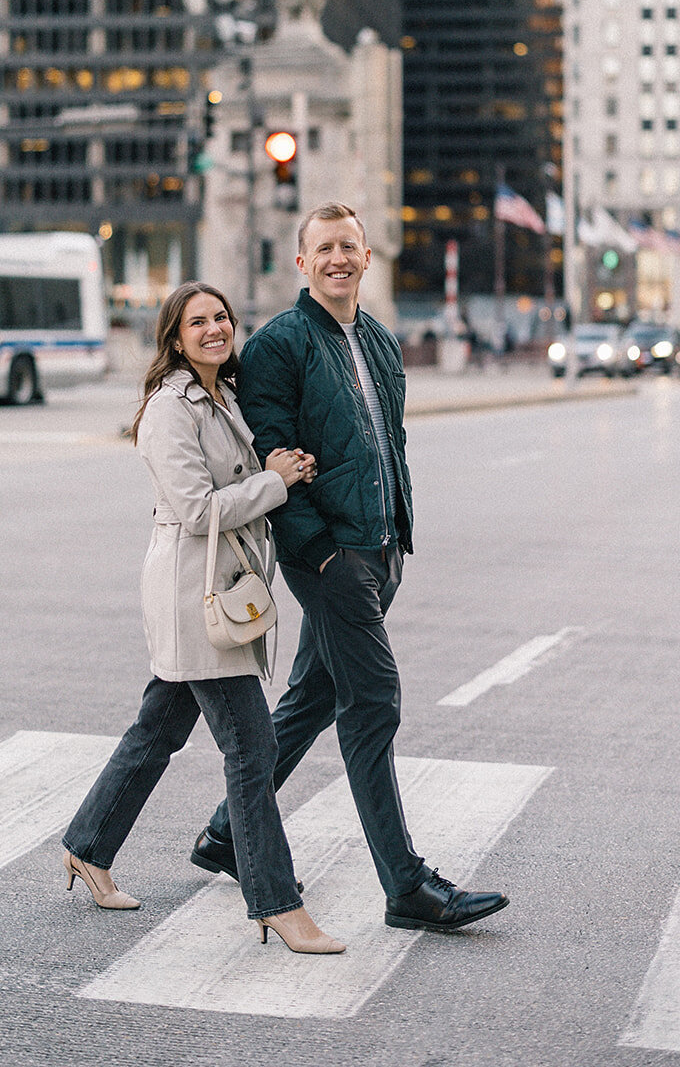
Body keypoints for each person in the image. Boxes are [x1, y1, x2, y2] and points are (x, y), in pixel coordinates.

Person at [190, 205, 509, 933]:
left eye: (348, 246)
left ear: (368, 258)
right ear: (301, 263)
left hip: (378, 548)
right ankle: (404, 886)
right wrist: (321, 552)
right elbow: (272, 457)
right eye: (322, 248)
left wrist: (393, 536)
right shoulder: (279, 346)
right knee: (372, 705)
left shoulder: (379, 339)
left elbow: (386, 444)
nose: (337, 258)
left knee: (310, 697)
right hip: (329, 557)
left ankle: (224, 835)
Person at [61, 280, 344, 956]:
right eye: (198, 322)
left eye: (220, 317)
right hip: (193, 591)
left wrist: (282, 468)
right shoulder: (169, 408)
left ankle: (88, 846)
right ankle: (277, 903)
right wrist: (275, 481)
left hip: (220, 584)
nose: (214, 329)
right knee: (252, 748)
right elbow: (196, 510)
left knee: (158, 727)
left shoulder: (226, 396)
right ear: (175, 336)